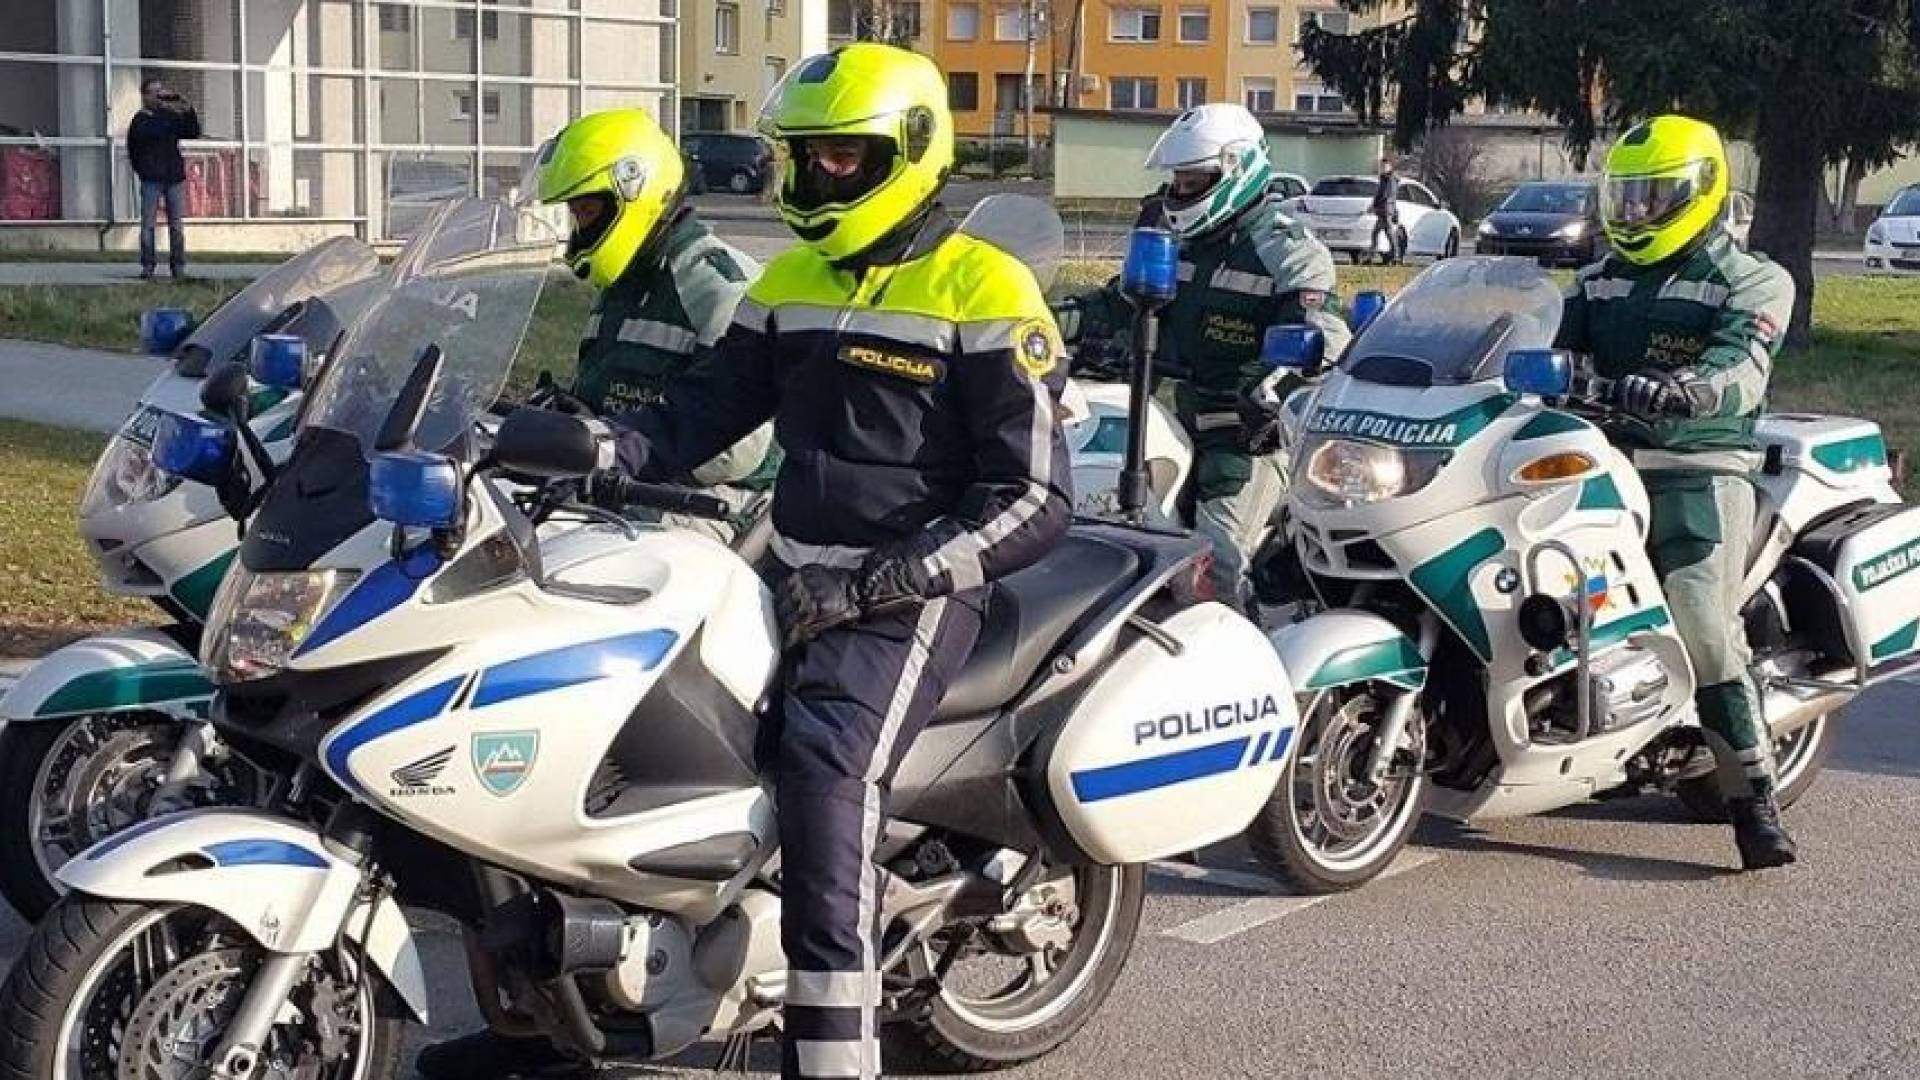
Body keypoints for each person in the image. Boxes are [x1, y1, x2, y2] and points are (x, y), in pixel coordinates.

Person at [429, 43, 1071, 1080]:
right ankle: (547, 1024)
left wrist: (887, 579)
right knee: (611, 735)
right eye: (802, 157)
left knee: (824, 779)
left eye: (840, 158)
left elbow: (1036, 497)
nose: (815, 177)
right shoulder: (789, 279)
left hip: (908, 594)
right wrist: (586, 447)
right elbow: (700, 411)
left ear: (910, 151)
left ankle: (833, 1057)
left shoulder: (984, 288)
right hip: (789, 574)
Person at [1554, 113, 1797, 871]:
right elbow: (1534, 340)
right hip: (1599, 459)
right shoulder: (1597, 278)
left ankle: (1752, 799)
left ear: (1703, 191)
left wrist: (1687, 389)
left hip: (1698, 466)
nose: (1637, 212)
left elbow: (1741, 366)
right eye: (1627, 196)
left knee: (1700, 619)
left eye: (1655, 196)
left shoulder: (1752, 278)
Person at [1058, 103, 1350, 610]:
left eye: (1193, 180)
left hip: (1241, 439)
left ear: (1237, 170)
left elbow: (1323, 338)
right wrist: (1044, 323)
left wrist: (1276, 393)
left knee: (1216, 566)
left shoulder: (1288, 251)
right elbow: (1114, 305)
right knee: (1096, 527)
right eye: (1178, 179)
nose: (1180, 190)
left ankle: (1242, 649)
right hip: (1157, 423)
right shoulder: (1174, 242)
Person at [534, 107, 775, 542]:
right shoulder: (623, 288)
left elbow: (736, 452)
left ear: (633, 194)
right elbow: (599, 399)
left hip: (714, 503)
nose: (579, 228)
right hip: (621, 480)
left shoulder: (716, 286)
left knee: (578, 554)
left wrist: (607, 451)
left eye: (586, 211)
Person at [127, 78, 201, 281]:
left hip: (173, 177)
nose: (159, 96)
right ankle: (148, 265)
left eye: (161, 91)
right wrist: (143, 170)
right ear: (145, 96)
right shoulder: (140, 120)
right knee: (148, 224)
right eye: (154, 92)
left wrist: (187, 108)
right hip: (151, 178)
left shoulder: (170, 116)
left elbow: (193, 132)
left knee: (176, 225)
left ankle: (178, 266)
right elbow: (133, 150)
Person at [1370, 156, 1401, 265]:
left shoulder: (1390, 179)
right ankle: (1374, 254)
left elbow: (1386, 195)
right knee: (1379, 233)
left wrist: (1376, 205)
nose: (1382, 168)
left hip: (1386, 209)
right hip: (1383, 209)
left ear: (1390, 167)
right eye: (1381, 166)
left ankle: (1394, 255)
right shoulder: (1384, 178)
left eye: (1385, 166)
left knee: (1388, 233)